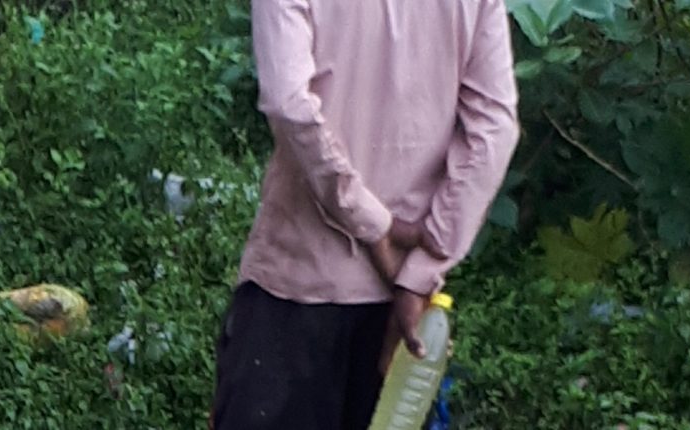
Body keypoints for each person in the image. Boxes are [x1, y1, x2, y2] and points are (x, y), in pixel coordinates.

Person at [211, 0, 520, 428]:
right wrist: (422, 270)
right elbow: (494, 129)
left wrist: (373, 223)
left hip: (297, 288)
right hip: (404, 312)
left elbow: (289, 104)